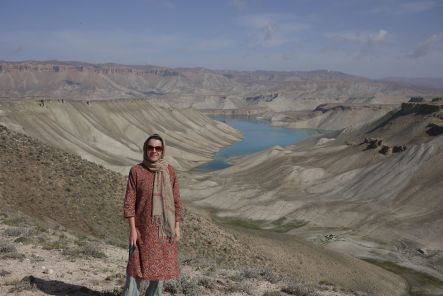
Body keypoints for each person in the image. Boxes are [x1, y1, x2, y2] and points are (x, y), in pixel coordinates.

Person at [122, 134, 182, 296]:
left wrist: (176, 226)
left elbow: (176, 201)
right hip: (142, 230)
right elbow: (129, 202)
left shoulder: (169, 171)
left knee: (159, 271)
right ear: (145, 149)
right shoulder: (137, 171)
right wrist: (133, 229)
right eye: (150, 147)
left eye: (158, 148)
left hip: (163, 230)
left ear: (163, 151)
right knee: (134, 270)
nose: (154, 151)